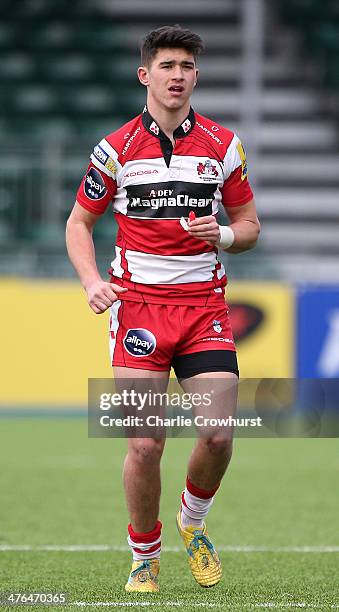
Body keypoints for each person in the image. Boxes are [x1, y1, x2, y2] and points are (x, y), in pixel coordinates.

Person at [66, 24, 260, 593]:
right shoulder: (116, 148)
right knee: (146, 443)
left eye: (187, 67)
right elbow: (80, 223)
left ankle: (192, 523)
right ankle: (144, 554)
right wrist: (90, 280)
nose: (178, 76)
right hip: (141, 310)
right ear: (144, 75)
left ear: (197, 76)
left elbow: (249, 227)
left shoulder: (223, 147)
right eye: (168, 66)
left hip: (204, 307)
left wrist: (221, 235)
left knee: (219, 436)